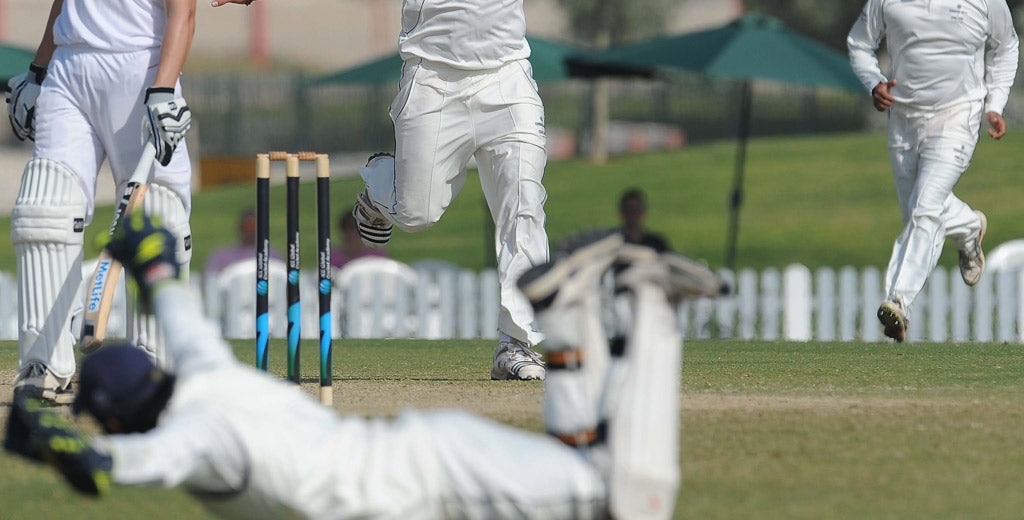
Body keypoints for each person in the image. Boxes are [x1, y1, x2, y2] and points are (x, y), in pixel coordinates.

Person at [201, 0, 764, 380]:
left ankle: (517, 345)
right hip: (431, 82)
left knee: (524, 209)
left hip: (507, 84)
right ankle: (379, 183)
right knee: (417, 214)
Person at [4, 209, 723, 520]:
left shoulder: (193, 444)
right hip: (426, 459)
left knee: (629, 497)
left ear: (122, 418)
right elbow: (173, 298)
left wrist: (55, 442)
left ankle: (624, 310)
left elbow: (114, 467)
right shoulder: (204, 373)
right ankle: (569, 322)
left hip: (427, 482)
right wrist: (149, 258)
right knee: (586, 465)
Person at [3, 0, 204, 401]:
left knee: (158, 219)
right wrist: (37, 71)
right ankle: (44, 363)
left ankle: (154, 362)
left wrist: (164, 92)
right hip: (70, 70)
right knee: (41, 213)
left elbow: (183, 10)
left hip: (137, 71)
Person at [847, 0, 1019, 342]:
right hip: (904, 121)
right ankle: (969, 227)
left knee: (925, 210)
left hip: (958, 116)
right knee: (922, 214)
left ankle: (898, 302)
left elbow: (1006, 49)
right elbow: (859, 45)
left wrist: (995, 104)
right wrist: (873, 84)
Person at [202, 207, 284, 295]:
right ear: (239, 228)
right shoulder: (221, 256)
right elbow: (208, 284)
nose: (250, 231)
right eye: (247, 226)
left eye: (254, 226)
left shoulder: (273, 255)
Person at [617, 188, 671, 253]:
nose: (633, 213)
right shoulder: (614, 243)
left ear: (643, 212)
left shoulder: (656, 243)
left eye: (637, 209)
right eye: (629, 209)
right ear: (621, 212)